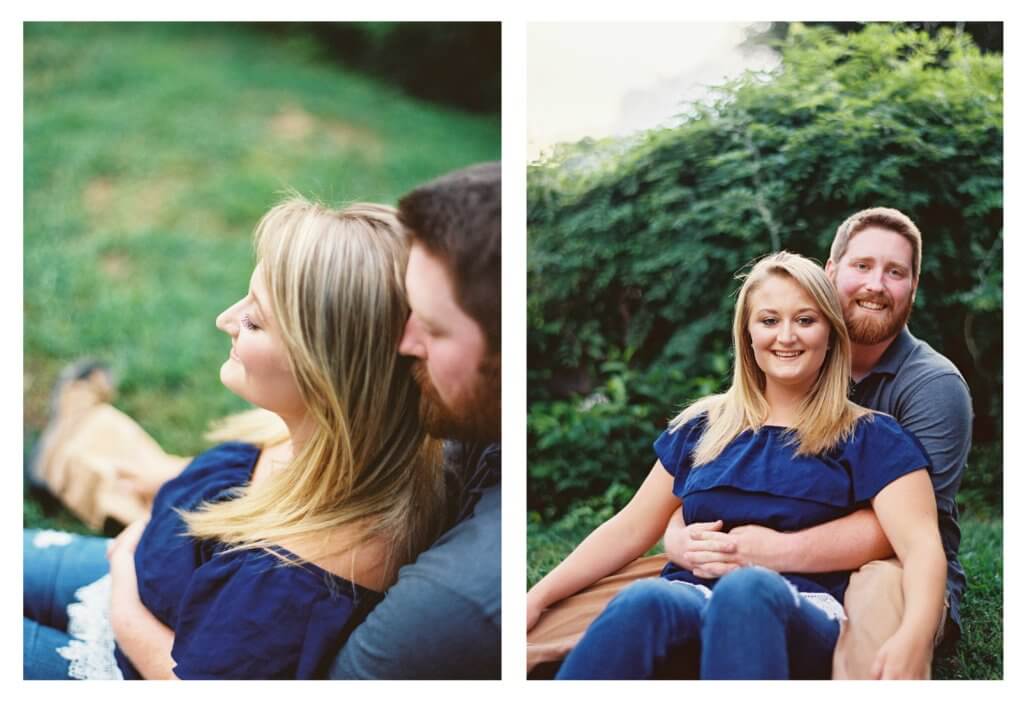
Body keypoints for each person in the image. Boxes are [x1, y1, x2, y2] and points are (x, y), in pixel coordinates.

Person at [526, 207, 972, 680]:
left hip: (802, 610)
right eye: (769, 320)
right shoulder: (703, 426)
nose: (786, 337)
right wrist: (535, 597)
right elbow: (630, 527)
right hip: (693, 597)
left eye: (805, 320)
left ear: (829, 335)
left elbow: (923, 544)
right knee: (645, 597)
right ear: (748, 335)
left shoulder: (871, 434)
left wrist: (914, 636)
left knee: (747, 591)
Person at [24, 197, 450, 679]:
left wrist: (123, 591)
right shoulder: (313, 440)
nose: (226, 319)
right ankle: (72, 452)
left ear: (327, 370)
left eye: (254, 321)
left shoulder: (304, 573)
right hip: (139, 576)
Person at [660, 208, 972, 677]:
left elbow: (905, 529)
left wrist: (770, 551)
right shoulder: (793, 364)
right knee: (645, 600)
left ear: (913, 287)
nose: (876, 284)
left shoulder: (931, 387)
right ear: (831, 274)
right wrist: (680, 537)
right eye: (862, 266)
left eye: (895, 272)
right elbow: (701, 491)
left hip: (893, 565)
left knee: (870, 614)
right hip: (778, 559)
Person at [329, 161, 501, 679]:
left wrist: (127, 610)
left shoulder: (460, 594)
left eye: (431, 327)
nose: (403, 344)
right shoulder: (478, 421)